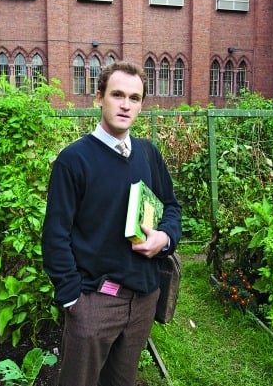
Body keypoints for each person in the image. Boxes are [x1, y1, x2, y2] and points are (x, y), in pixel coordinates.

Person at [41, 61, 182, 386]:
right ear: (99, 97)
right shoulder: (74, 160)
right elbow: (55, 235)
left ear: (141, 104)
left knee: (121, 381)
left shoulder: (148, 154)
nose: (125, 104)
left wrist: (165, 238)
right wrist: (72, 299)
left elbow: (172, 207)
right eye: (117, 94)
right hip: (94, 303)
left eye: (134, 98)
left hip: (144, 299)